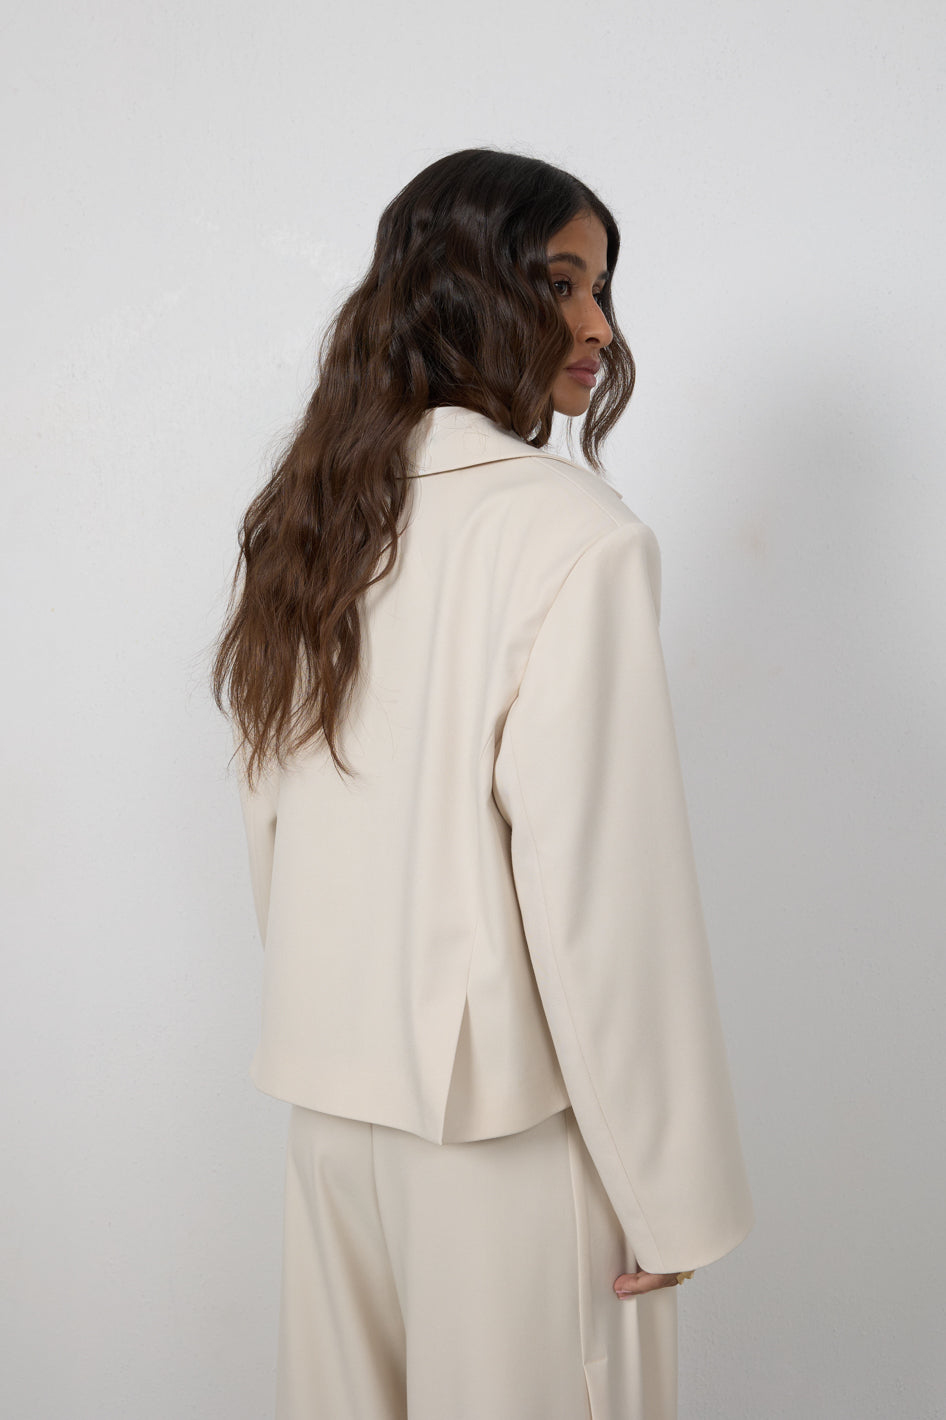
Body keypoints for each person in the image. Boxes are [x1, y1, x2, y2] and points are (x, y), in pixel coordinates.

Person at [212, 146, 754, 1420]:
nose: (598, 326)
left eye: (600, 286)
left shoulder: (315, 520)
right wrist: (670, 1190)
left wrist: (345, 1021)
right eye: (561, 283)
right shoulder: (574, 537)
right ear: (466, 289)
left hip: (332, 1110)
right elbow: (603, 895)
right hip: (503, 1142)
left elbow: (273, 826)